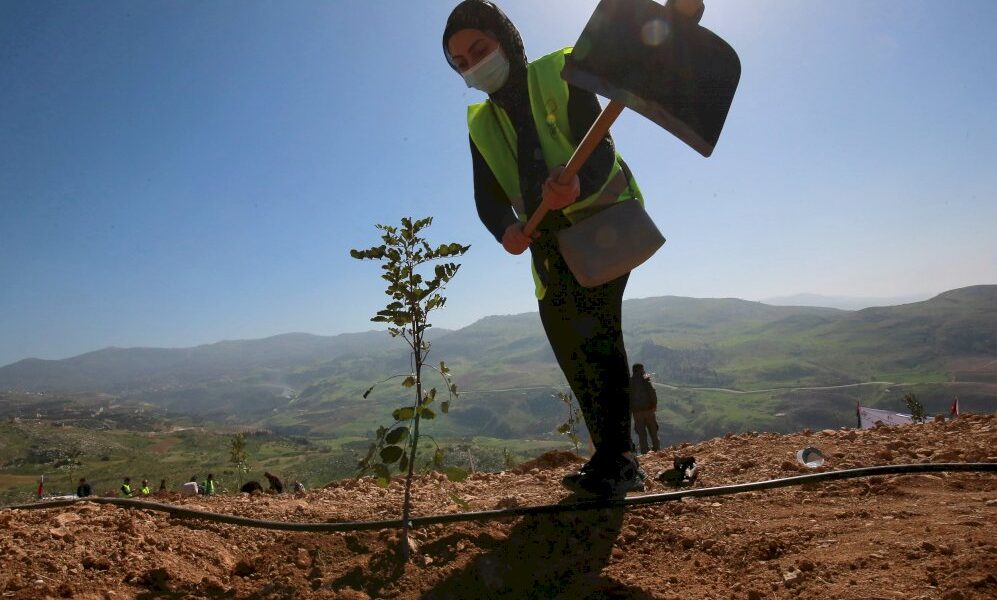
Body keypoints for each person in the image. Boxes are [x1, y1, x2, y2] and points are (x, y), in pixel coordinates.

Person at [443, 0, 704, 496]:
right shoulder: (480, 124)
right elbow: (486, 198)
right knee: (567, 341)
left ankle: (622, 461)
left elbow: (600, 148)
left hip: (600, 228)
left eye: (480, 49)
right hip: (547, 247)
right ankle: (606, 454)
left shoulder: (561, 73)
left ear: (507, 39)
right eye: (461, 63)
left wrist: (577, 182)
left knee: (596, 330)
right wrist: (505, 231)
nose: (474, 65)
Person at [629, 364, 660, 454]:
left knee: (642, 434)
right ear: (641, 370)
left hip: (637, 413)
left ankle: (644, 452)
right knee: (653, 431)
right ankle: (657, 450)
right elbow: (652, 392)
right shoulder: (646, 379)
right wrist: (654, 405)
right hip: (649, 410)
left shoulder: (630, 382)